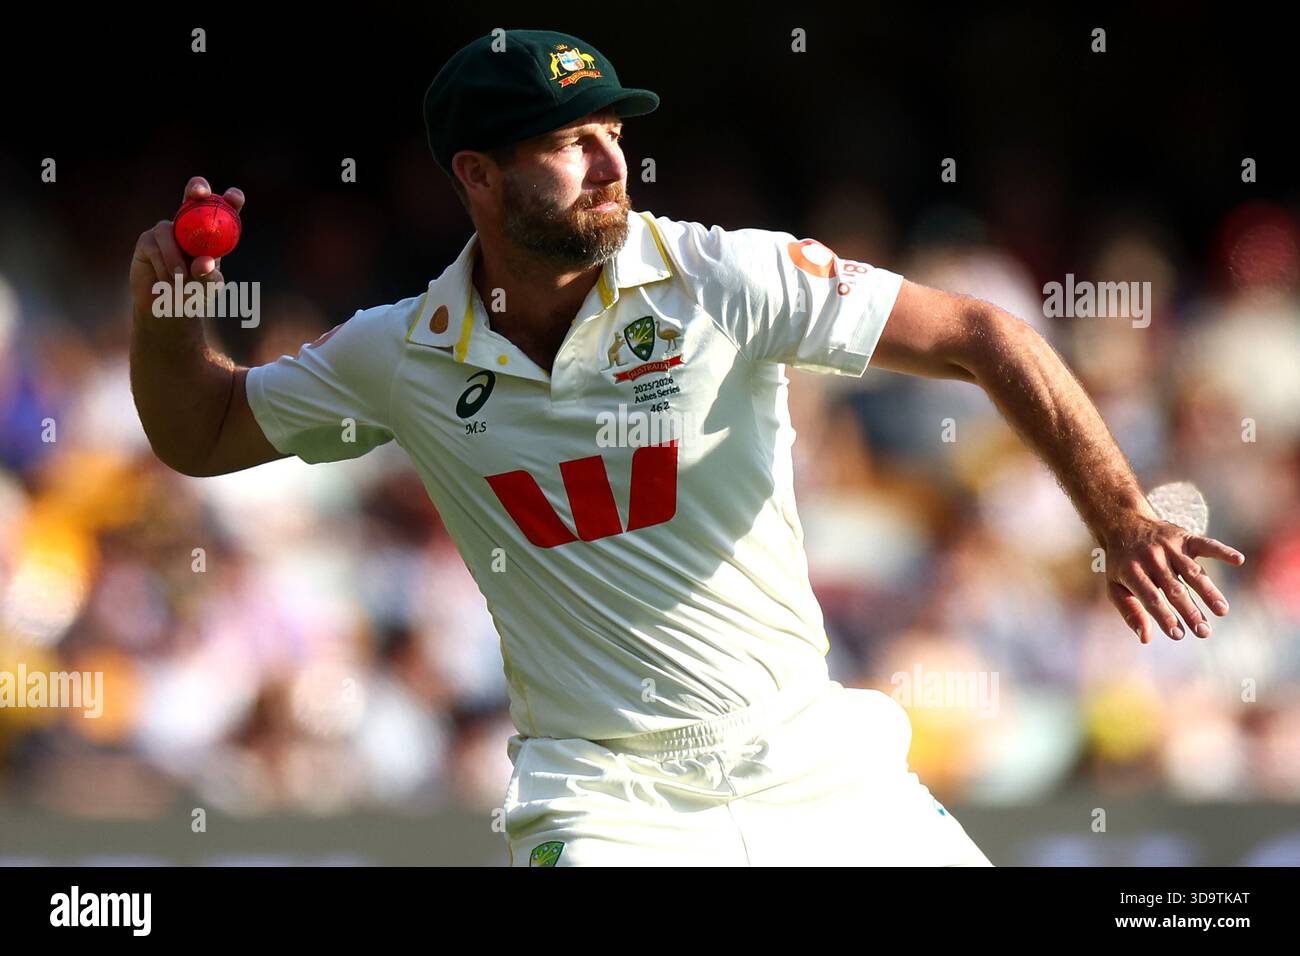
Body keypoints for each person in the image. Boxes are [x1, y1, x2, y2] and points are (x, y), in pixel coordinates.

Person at [128, 29, 1246, 866]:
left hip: (813, 764)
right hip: (606, 803)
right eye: (570, 143)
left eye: (615, 133)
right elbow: (205, 429)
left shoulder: (726, 275)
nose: (612, 163)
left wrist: (1121, 516)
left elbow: (980, 333)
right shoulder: (402, 352)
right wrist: (168, 311)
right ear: (475, 175)